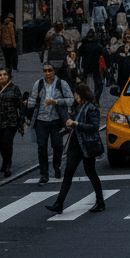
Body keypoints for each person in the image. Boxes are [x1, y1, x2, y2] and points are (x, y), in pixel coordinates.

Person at [44, 83, 106, 215]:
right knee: (68, 173)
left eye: (77, 96)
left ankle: (100, 202)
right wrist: (68, 124)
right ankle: (59, 204)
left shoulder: (91, 108)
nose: (75, 98)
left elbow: (94, 127)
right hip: (75, 145)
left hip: (87, 145)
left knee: (91, 172)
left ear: (82, 95)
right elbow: (73, 122)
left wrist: (77, 124)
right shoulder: (78, 107)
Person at [25, 63, 71, 184]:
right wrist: (28, 102)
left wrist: (56, 101)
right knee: (41, 147)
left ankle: (57, 166)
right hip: (41, 121)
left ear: (54, 71)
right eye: (45, 71)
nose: (47, 73)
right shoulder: (38, 84)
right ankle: (44, 174)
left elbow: (70, 100)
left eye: (50, 70)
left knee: (58, 146)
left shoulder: (62, 84)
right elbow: (32, 100)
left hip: (56, 121)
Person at [76, 29, 109, 101]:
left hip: (86, 67)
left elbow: (78, 56)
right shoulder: (98, 46)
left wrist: (78, 67)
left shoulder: (83, 45)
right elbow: (105, 56)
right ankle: (96, 100)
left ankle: (85, 99)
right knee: (98, 85)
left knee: (83, 85)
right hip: (96, 67)